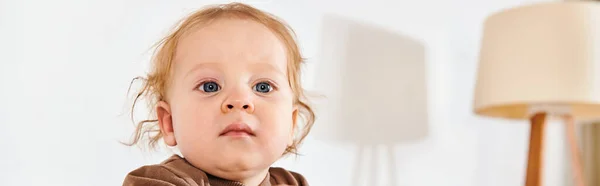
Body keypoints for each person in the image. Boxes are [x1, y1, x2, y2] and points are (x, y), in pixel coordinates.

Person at [122, 2, 315, 186]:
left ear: (291, 123)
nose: (239, 101)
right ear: (169, 122)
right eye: (210, 87)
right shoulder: (160, 181)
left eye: (263, 86)